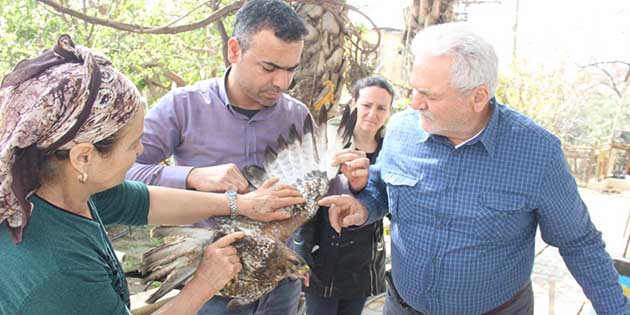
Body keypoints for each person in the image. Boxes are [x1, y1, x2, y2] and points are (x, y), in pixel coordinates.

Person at [319, 23, 630, 315]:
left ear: (478, 97)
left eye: (430, 95)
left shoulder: (537, 153)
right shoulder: (402, 131)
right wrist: (362, 206)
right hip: (401, 306)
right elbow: (383, 190)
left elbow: (579, 243)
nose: (414, 104)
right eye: (414, 89)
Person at [0, 35, 304, 315]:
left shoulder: (56, 190)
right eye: (133, 144)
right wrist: (204, 284)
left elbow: (143, 200)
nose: (141, 151)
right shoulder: (60, 271)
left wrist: (242, 205)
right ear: (83, 157)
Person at [125, 1, 310, 314]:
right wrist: (192, 176)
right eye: (269, 68)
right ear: (234, 50)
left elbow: (307, 192)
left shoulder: (297, 116)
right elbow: (121, 172)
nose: (282, 82)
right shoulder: (182, 107)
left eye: (291, 69)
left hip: (280, 290)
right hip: (209, 289)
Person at [295, 76, 394, 315]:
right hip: (323, 260)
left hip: (363, 264)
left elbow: (393, 202)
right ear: (353, 104)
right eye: (366, 105)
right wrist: (301, 256)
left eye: (381, 108)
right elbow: (306, 204)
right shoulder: (331, 146)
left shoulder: (390, 151)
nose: (373, 113)